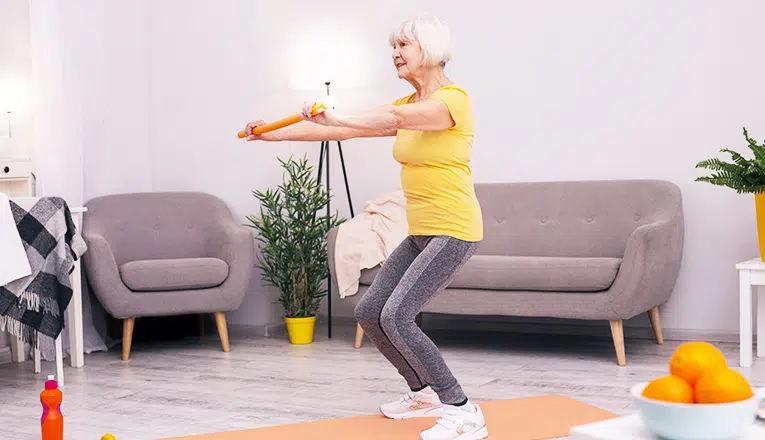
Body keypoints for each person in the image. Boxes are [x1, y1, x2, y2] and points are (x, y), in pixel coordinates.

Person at [243, 14, 487, 440]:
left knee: (397, 314)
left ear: (429, 50)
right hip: (422, 231)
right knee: (370, 311)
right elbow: (343, 131)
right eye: (392, 46)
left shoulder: (451, 102)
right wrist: (270, 135)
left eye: (403, 46)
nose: (394, 53)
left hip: (455, 229)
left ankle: (462, 408)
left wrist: (339, 117)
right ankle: (421, 393)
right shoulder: (407, 105)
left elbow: (378, 122)